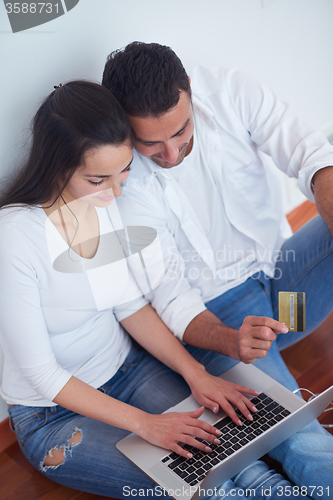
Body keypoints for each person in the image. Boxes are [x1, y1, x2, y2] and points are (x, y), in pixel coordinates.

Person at [0, 81, 306, 500]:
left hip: (130, 372)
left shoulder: (98, 204)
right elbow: (41, 373)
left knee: (243, 462)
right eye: (98, 178)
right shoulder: (15, 237)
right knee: (207, 485)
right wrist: (145, 423)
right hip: (51, 415)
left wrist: (196, 373)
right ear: (57, 166)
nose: (117, 190)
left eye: (124, 170)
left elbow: (130, 307)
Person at [102, 42, 333, 499]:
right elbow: (171, 297)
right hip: (225, 323)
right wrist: (233, 341)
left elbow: (312, 156)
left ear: (189, 91)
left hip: (288, 300)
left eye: (181, 132)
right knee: (296, 433)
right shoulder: (124, 183)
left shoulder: (230, 90)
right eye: (151, 143)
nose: (170, 154)